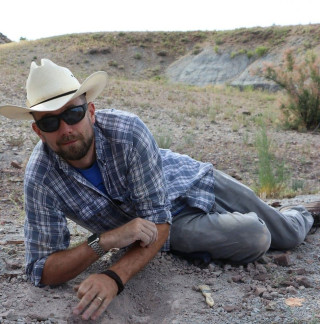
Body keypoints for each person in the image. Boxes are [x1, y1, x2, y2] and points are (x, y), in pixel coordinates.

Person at [0, 59, 318, 321]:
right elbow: (41, 269)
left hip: (194, 180)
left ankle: (307, 210)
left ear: (91, 111)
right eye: (50, 123)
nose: (66, 129)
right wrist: (106, 241)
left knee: (288, 234)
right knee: (256, 237)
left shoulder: (128, 131)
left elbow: (156, 219)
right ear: (37, 131)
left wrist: (113, 277)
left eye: (72, 113)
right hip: (168, 225)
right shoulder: (40, 178)